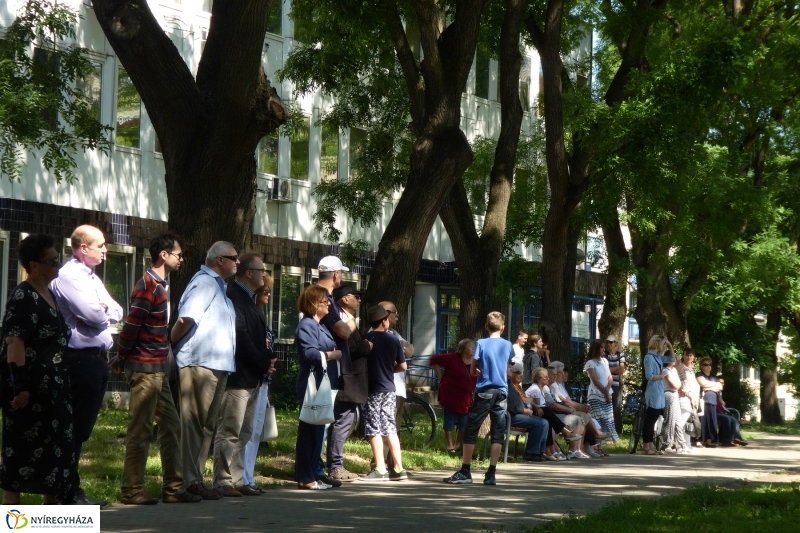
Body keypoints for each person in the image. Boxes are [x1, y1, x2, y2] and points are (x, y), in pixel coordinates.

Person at [113, 234, 200, 505]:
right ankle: (131, 491)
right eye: (178, 254)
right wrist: (121, 356)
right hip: (144, 369)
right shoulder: (148, 286)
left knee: (172, 427)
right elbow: (131, 326)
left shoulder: (161, 285)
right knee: (140, 431)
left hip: (158, 369)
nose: (181, 259)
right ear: (164, 254)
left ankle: (173, 489)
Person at [0, 235, 77, 505]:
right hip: (29, 394)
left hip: (53, 393)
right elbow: (14, 342)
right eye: (53, 260)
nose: (58, 265)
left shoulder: (50, 294)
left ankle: (49, 517)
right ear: (34, 265)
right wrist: (19, 386)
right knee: (19, 458)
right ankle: (12, 522)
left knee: (54, 459)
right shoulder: (24, 296)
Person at [51, 224, 124, 507]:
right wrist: (100, 312)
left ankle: (68, 489)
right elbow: (95, 316)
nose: (105, 250)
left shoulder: (90, 277)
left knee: (81, 429)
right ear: (83, 248)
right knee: (74, 429)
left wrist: (101, 312)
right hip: (78, 361)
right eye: (101, 245)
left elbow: (115, 310)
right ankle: (67, 493)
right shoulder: (70, 277)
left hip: (95, 360)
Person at [171, 241, 239, 500]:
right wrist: (171, 345)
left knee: (207, 426)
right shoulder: (205, 282)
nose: (237, 263)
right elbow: (185, 319)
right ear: (219, 260)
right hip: (199, 363)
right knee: (193, 425)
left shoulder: (219, 287)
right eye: (234, 258)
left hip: (217, 365)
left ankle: (196, 480)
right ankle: (186, 482)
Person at [212, 253, 272, 497]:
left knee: (245, 431)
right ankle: (222, 480)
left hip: (253, 376)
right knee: (230, 430)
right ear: (249, 273)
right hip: (239, 376)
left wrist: (266, 360)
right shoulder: (234, 296)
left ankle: (239, 478)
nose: (264, 274)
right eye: (261, 269)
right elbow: (241, 336)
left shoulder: (250, 299)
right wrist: (261, 362)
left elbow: (257, 337)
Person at [445, 312, 513, 486]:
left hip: (484, 391)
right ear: (503, 328)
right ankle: (491, 473)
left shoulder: (481, 343)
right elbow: (508, 367)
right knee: (498, 433)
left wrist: (478, 371)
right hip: (502, 392)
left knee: (471, 429)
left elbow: (473, 369)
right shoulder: (508, 345)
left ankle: (465, 471)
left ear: (486, 326)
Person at [294, 285, 342, 490]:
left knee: (317, 430)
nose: (330, 305)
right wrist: (333, 355)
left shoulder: (320, 325)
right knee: (310, 431)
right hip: (312, 384)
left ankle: (313, 472)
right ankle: (305, 476)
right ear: (314, 304)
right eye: (325, 301)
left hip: (324, 383)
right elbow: (310, 354)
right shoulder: (307, 325)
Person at [316, 256, 355, 487]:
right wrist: (351, 324)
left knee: (324, 420)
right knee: (321, 421)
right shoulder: (322, 298)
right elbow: (342, 331)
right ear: (336, 274)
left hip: (329, 365)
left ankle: (317, 467)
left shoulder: (325, 297)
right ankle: (316, 468)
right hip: (324, 365)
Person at [327, 285, 371, 482]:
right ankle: (335, 465)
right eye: (356, 296)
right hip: (346, 378)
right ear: (345, 299)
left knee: (345, 421)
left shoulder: (346, 318)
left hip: (350, 379)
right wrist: (367, 346)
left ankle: (335, 464)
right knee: (342, 422)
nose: (359, 300)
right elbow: (349, 348)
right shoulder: (342, 320)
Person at [361, 305, 408, 481]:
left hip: (372, 389)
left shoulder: (365, 339)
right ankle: (399, 468)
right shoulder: (393, 339)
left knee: (374, 427)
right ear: (384, 321)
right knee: (390, 427)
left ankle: (380, 468)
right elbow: (403, 366)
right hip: (389, 389)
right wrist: (389, 369)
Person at [240, 278, 277, 493]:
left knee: (255, 430)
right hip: (252, 377)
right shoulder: (250, 314)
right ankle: (242, 477)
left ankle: (249, 476)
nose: (268, 293)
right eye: (265, 290)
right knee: (247, 428)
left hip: (263, 378)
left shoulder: (260, 316)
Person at [378, 300, 415, 471]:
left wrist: (404, 346)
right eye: (395, 314)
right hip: (385, 387)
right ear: (385, 314)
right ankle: (379, 464)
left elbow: (410, 350)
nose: (398, 317)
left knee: (394, 427)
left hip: (398, 388)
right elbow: (399, 357)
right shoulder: (377, 334)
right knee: (385, 427)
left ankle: (393, 465)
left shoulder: (394, 333)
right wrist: (402, 348)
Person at [431, 339, 477, 452]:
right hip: (450, 395)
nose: (473, 349)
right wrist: (440, 376)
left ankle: (457, 445)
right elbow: (433, 360)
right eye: (470, 347)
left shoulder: (476, 361)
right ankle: (449, 445)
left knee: (464, 422)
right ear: (462, 349)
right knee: (449, 420)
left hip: (466, 398)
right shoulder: (452, 358)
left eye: (474, 347)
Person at [533, 368, 587, 458]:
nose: (555, 376)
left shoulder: (546, 387)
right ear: (540, 378)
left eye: (556, 374)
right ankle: (557, 446)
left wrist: (571, 408)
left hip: (550, 413)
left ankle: (575, 450)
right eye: (547, 376)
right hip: (546, 413)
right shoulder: (538, 388)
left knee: (580, 418)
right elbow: (550, 405)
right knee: (550, 417)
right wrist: (569, 409)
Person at [507, 363, 549, 461]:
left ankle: (538, 453)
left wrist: (529, 409)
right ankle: (530, 453)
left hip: (519, 414)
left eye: (521, 373)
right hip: (511, 416)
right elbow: (508, 405)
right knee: (540, 423)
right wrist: (523, 410)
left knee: (545, 422)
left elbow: (524, 401)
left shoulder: (516, 387)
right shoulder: (507, 386)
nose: (521, 375)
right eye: (517, 373)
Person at [584, 339, 619, 443]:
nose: (604, 349)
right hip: (595, 394)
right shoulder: (590, 363)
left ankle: (603, 445)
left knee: (608, 419)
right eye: (602, 347)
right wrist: (605, 392)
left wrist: (608, 390)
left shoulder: (604, 361)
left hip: (606, 393)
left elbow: (610, 377)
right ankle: (596, 445)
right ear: (596, 349)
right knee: (599, 419)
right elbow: (595, 380)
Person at [642, 335, 672, 455]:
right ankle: (646, 446)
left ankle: (650, 445)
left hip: (659, 390)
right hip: (653, 390)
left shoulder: (658, 357)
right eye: (663, 343)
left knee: (654, 418)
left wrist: (670, 346)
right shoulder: (649, 357)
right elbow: (649, 376)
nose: (664, 346)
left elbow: (672, 359)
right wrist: (661, 376)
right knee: (650, 419)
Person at [661, 355, 687, 453]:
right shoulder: (665, 370)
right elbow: (674, 385)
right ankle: (666, 444)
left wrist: (678, 384)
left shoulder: (674, 370)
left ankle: (681, 444)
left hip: (675, 394)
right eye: (674, 358)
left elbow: (679, 384)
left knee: (678, 420)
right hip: (668, 394)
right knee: (670, 419)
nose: (676, 360)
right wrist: (677, 384)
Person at [676, 348, 701, 452]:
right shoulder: (681, 367)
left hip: (692, 399)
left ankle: (687, 444)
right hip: (684, 398)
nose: (689, 357)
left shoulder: (690, 369)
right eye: (687, 355)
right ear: (683, 355)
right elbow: (683, 385)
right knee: (681, 422)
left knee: (688, 423)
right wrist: (690, 397)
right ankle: (679, 445)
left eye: (691, 355)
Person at [602, 334, 626, 435]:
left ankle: (612, 431)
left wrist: (610, 369)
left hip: (615, 385)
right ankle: (604, 430)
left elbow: (622, 370)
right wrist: (616, 368)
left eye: (611, 342)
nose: (609, 344)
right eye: (608, 342)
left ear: (615, 343)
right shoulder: (604, 355)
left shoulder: (620, 355)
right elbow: (603, 370)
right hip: (605, 384)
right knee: (605, 407)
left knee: (613, 407)